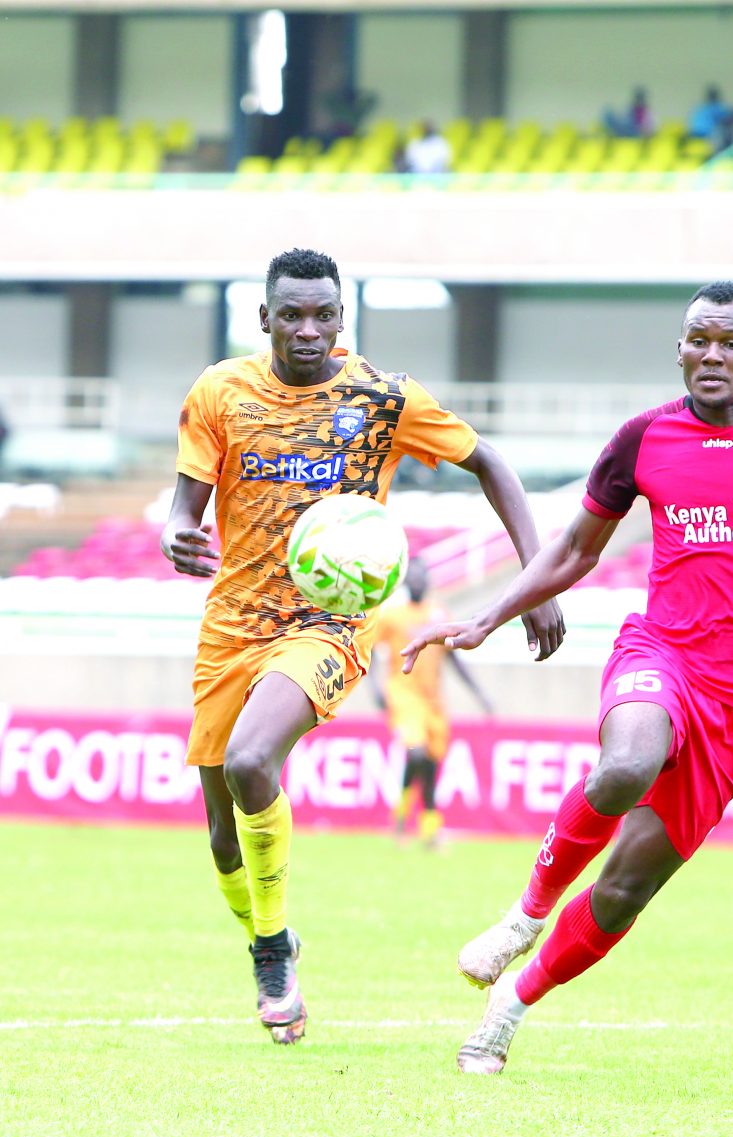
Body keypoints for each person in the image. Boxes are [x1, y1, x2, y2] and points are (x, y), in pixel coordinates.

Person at [402, 280, 733, 1074]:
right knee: (625, 763)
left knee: (623, 892)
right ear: (679, 347)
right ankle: (523, 916)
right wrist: (489, 613)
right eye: (696, 340)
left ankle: (508, 1008)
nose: (710, 355)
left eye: (728, 342)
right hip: (660, 653)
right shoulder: (644, 439)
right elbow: (576, 549)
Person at [160, 247, 564, 1045]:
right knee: (219, 834)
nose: (307, 330)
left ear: (341, 320)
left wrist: (537, 580)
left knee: (251, 763)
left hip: (328, 621)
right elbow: (185, 505)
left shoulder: (382, 398)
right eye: (291, 315)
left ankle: (272, 952)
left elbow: (491, 464)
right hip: (232, 620)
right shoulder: (220, 391)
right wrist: (178, 531)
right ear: (265, 319)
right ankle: (267, 935)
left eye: (323, 315)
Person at [370, 556, 493, 847]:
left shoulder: (439, 615)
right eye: (411, 577)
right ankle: (416, 821)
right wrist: (375, 688)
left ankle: (414, 823)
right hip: (403, 694)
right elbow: (372, 650)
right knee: (416, 752)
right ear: (404, 582)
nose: (416, 581)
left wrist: (479, 693)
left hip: (433, 701)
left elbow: (454, 658)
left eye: (421, 576)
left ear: (428, 581)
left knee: (430, 762)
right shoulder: (392, 616)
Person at [687, 85, 733, 153]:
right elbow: (729, 117)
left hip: (692, 134)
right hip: (706, 135)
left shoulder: (700, 108)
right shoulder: (717, 108)